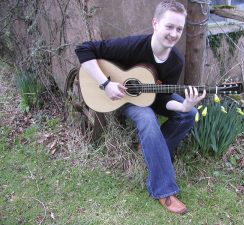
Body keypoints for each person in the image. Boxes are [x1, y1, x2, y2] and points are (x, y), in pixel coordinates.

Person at [75, 0, 206, 215]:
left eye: (179, 29)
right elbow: (83, 49)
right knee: (147, 119)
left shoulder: (176, 61)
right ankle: (163, 190)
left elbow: (163, 101)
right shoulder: (133, 46)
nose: (174, 34)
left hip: (153, 98)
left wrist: (184, 105)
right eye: (169, 26)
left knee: (190, 114)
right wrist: (106, 84)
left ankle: (152, 151)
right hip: (122, 97)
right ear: (155, 23)